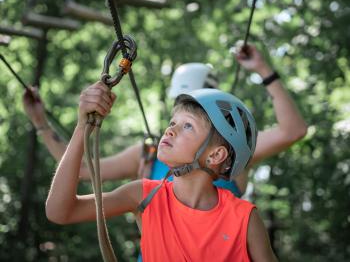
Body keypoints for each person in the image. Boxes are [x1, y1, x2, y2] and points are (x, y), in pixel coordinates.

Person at [23, 44, 307, 196]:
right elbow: (83, 171)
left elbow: (292, 131)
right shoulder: (149, 154)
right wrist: (42, 125)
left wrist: (262, 69)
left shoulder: (228, 152)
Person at [46, 83, 278, 261]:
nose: (170, 131)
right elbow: (60, 212)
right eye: (172, 122)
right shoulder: (145, 196)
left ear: (215, 156)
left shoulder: (245, 218)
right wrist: (82, 127)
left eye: (187, 125)